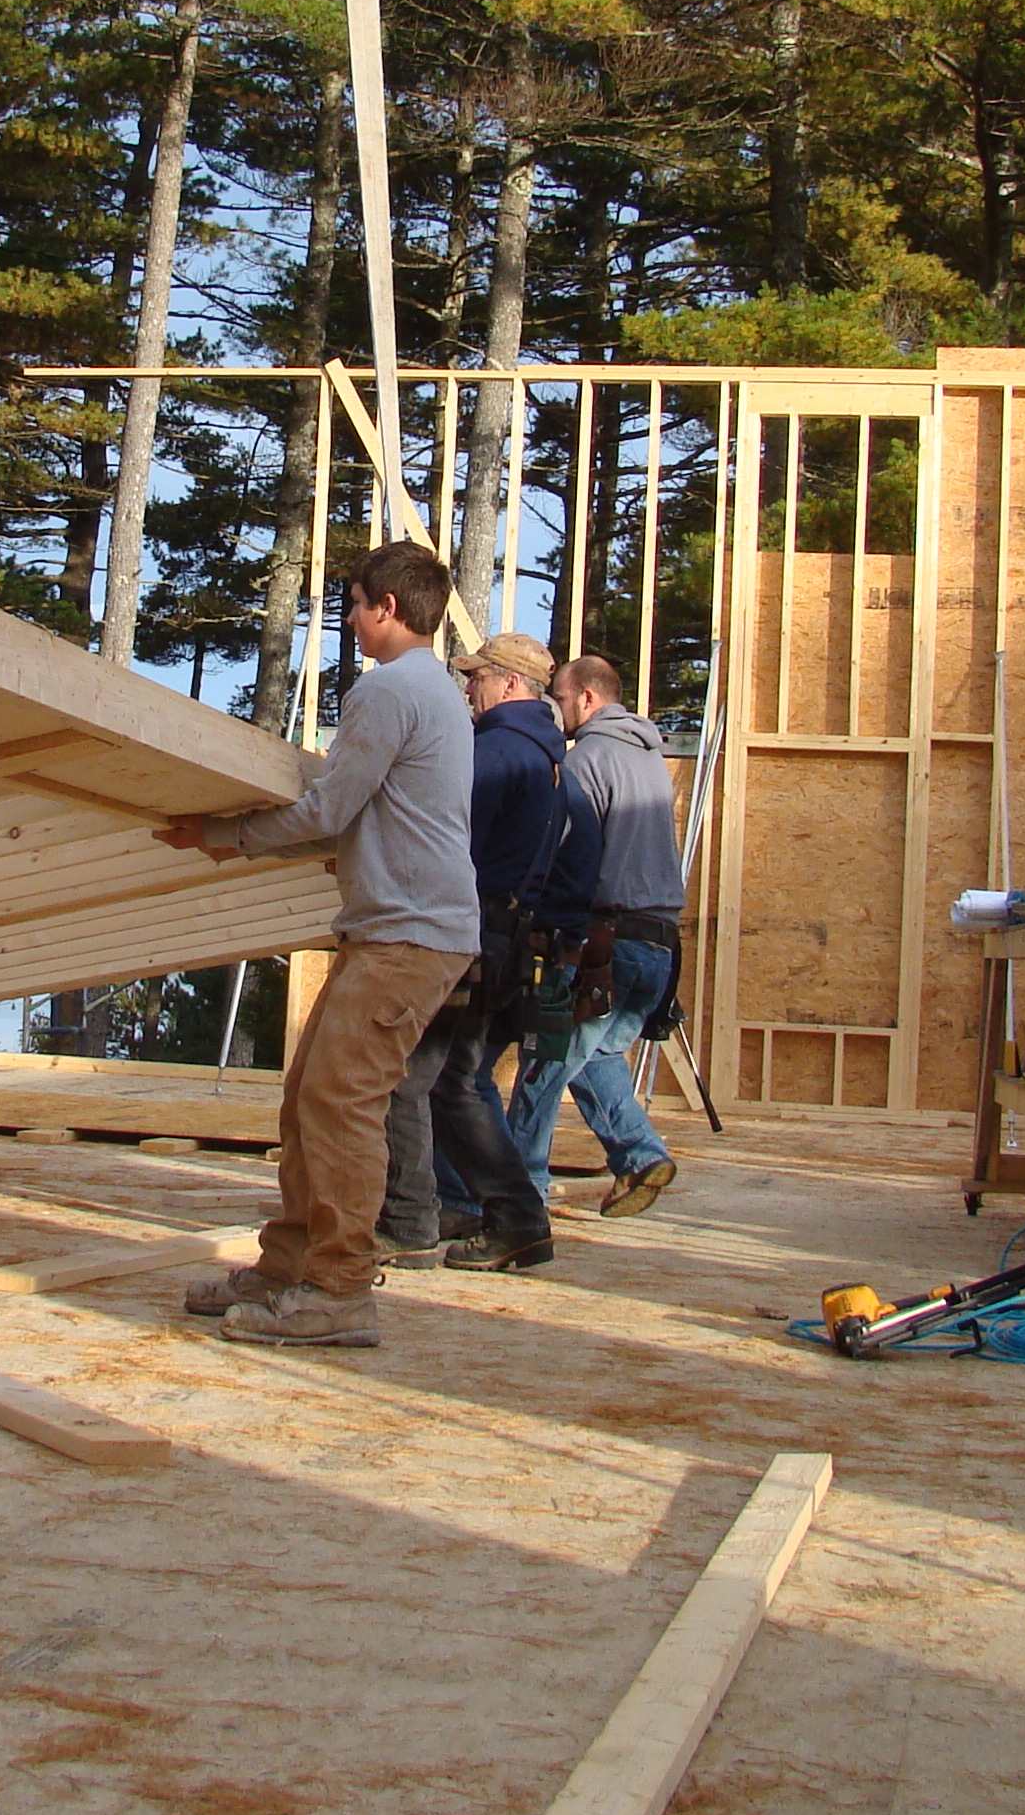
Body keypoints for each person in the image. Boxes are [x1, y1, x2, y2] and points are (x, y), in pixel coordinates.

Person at [155, 541, 477, 1347]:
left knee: (340, 1104)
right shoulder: (433, 690)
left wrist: (223, 834)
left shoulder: (389, 690)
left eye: (356, 605)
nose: (351, 620)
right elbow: (351, 818)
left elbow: (327, 810)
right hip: (399, 929)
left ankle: (337, 1291)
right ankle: (290, 1268)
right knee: (311, 1097)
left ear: (387, 607)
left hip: (409, 934)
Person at [373, 630, 564, 1274]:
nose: (467, 688)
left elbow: (444, 838)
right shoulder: (545, 755)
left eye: (478, 677)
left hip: (472, 937)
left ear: (510, 684)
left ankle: (417, 1221)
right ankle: (501, 1218)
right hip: (503, 939)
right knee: (454, 1082)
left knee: (416, 1078)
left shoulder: (501, 753)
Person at [515, 653, 681, 1216]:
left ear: (587, 698)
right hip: (659, 946)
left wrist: (541, 918)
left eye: (561, 699)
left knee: (544, 1065)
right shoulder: (650, 757)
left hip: (607, 941)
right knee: (597, 1056)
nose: (556, 710)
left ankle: (520, 1197)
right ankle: (640, 1155)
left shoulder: (587, 759)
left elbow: (571, 854)